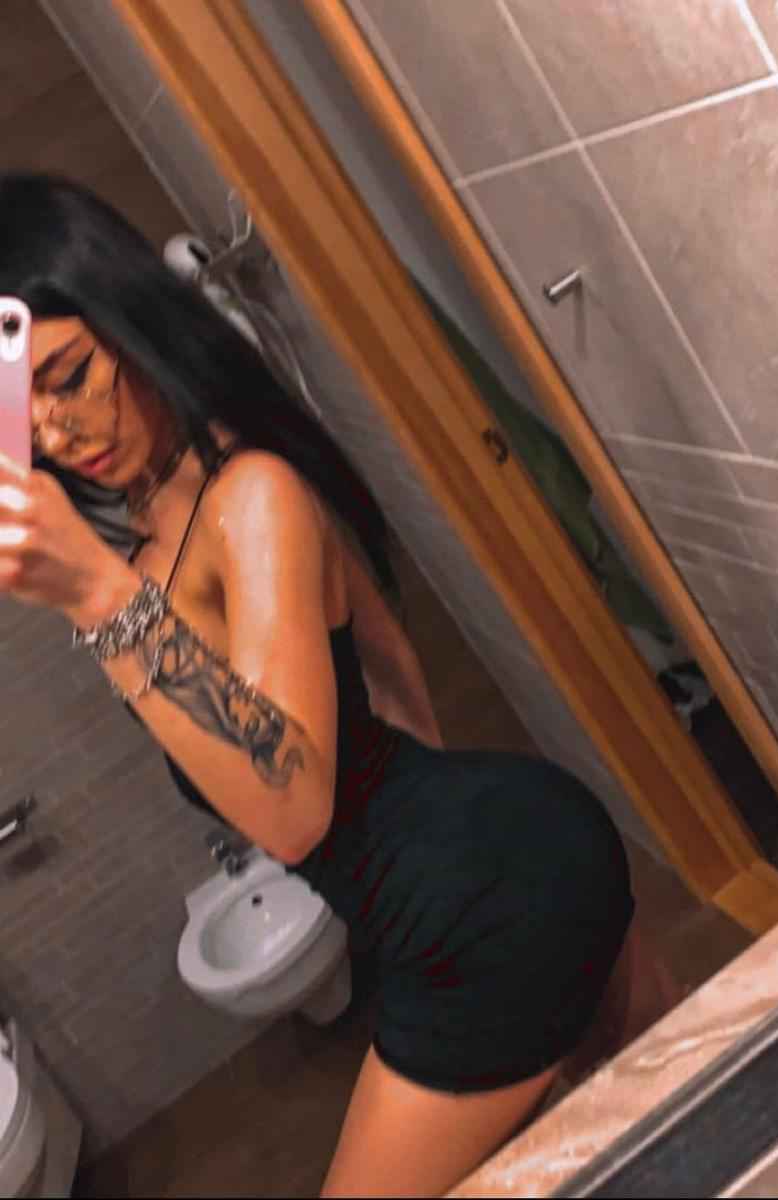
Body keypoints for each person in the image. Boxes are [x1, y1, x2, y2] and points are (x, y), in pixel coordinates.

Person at [0, 174, 677, 1197]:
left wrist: (96, 597)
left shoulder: (248, 494)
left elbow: (297, 806)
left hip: (482, 902)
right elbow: (390, 663)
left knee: (685, 1102)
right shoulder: (155, 525)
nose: (57, 432)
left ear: (127, 316)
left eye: (72, 374)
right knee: (684, 1104)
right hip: (483, 864)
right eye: (23, 408)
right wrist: (422, 873)